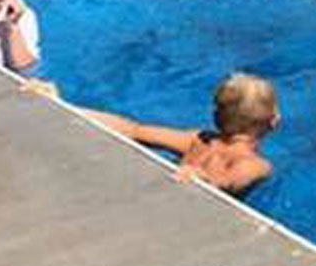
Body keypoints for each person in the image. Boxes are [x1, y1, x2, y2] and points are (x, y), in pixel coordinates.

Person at [84, 74, 279, 196]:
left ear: (216, 117)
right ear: (274, 121)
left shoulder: (198, 140)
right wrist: (203, 179)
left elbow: (135, 131)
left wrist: (72, 109)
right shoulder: (257, 165)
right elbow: (227, 183)